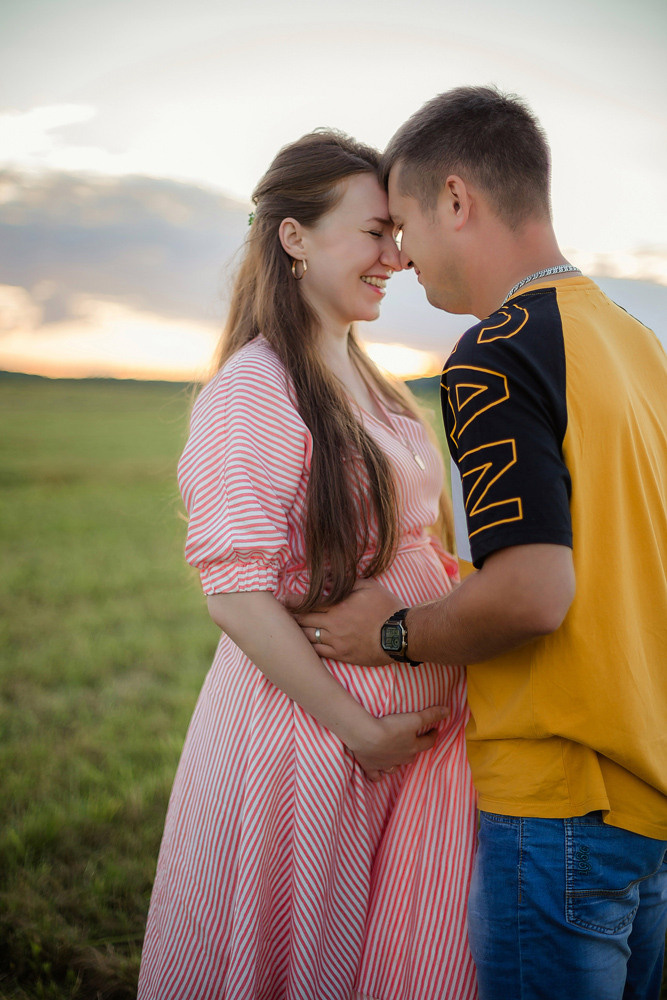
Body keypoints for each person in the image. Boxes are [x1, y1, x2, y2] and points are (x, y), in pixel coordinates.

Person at [295, 88, 667, 999]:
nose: (402, 255)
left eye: (408, 221)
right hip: (650, 791)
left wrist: (392, 631)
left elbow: (534, 594)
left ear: (456, 199)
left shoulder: (495, 353)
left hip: (558, 804)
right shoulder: (634, 342)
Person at [137, 130, 478, 1000]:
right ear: (295, 237)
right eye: (374, 232)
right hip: (312, 748)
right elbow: (236, 595)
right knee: (300, 965)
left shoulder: (373, 381)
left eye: (397, 234)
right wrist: (359, 731)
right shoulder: (255, 389)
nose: (395, 258)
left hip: (399, 749)